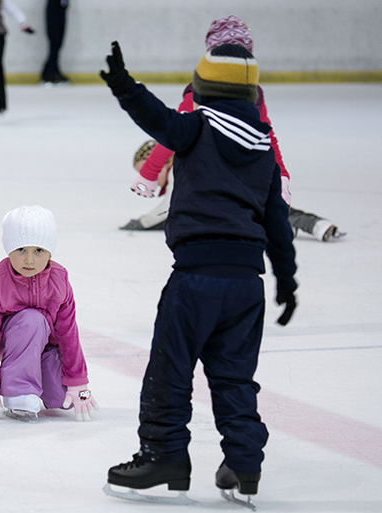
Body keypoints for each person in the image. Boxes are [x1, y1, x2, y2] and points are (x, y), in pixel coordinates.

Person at [100, 41, 298, 506]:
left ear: (202, 87)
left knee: (170, 369)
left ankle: (164, 455)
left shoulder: (197, 128)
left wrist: (125, 87)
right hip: (246, 286)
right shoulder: (264, 148)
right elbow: (277, 222)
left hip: (196, 278)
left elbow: (157, 120)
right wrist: (286, 280)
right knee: (235, 377)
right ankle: (244, 464)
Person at [127, 15, 343, 242]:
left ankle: (298, 224)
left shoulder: (200, 95)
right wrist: (281, 174)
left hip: (221, 175)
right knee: (253, 207)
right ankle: (302, 224)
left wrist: (148, 178)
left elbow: (171, 135)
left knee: (242, 209)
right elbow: (267, 135)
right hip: (243, 170)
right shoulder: (252, 95)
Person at [0, 205, 99, 422]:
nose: (29, 260)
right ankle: (19, 391)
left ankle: (39, 375)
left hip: (47, 348)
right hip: (15, 346)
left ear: (50, 252)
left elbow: (68, 333)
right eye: (21, 250)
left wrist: (78, 382)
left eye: (38, 251)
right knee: (32, 320)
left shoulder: (59, 279)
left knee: (60, 399)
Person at [124, 138, 343, 242]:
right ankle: (308, 225)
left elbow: (169, 206)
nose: (149, 177)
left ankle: (310, 225)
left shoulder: (177, 167)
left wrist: (142, 223)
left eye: (146, 170)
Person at [40, 0, 69, 85]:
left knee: (58, 43)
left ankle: (54, 70)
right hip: (54, 13)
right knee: (54, 42)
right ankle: (49, 72)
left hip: (61, 12)